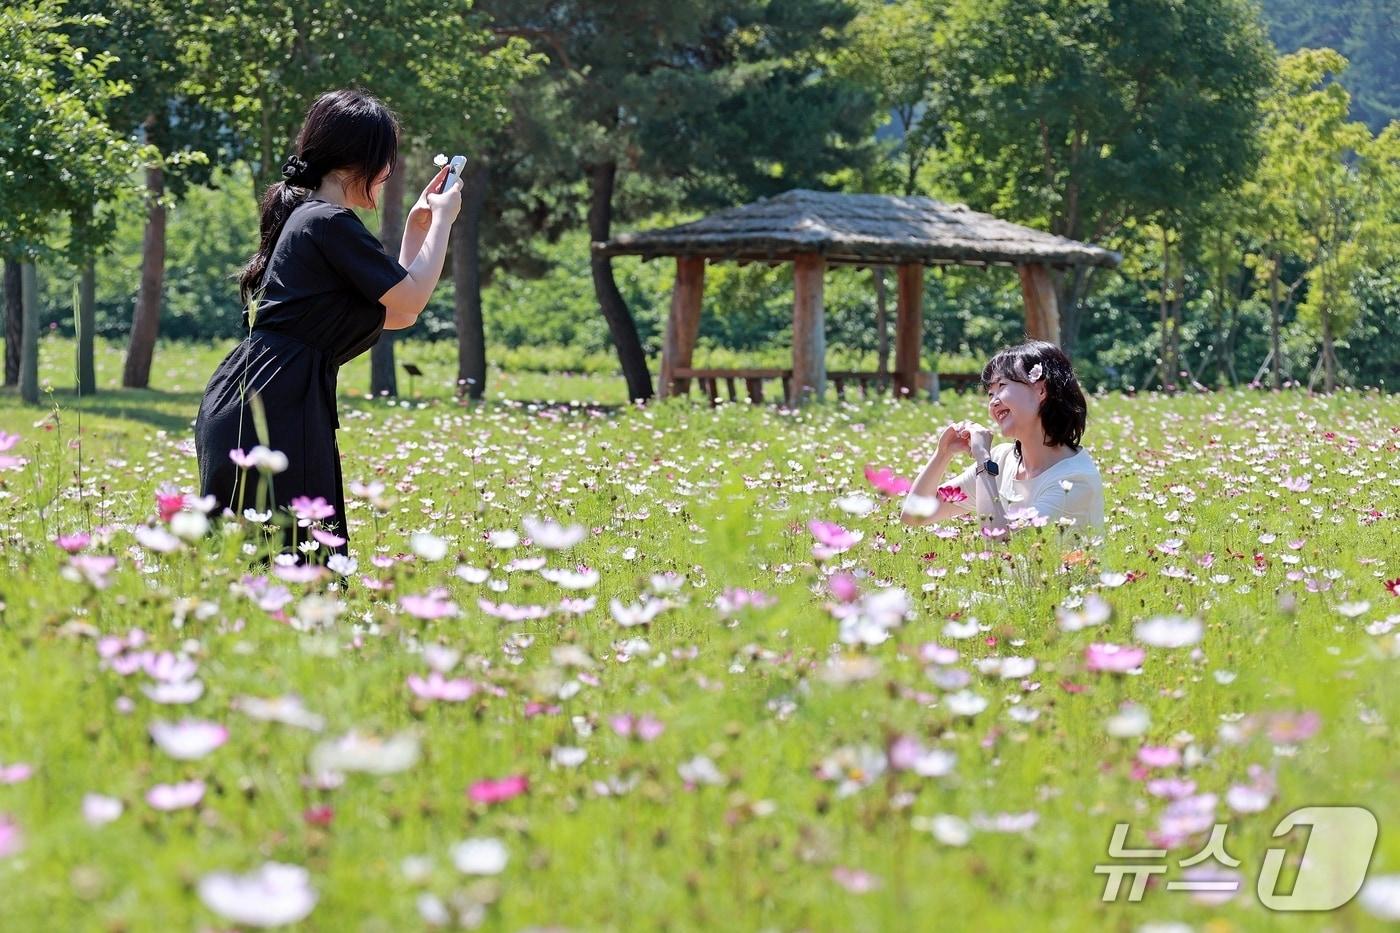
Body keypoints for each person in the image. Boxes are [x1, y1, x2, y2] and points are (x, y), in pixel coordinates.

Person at [194, 88, 462, 561]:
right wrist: (445, 221)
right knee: (296, 566)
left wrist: (417, 230)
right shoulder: (329, 222)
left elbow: (398, 310)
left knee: (263, 568)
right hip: (274, 405)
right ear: (365, 160)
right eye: (387, 162)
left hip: (263, 396)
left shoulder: (310, 217)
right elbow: (413, 300)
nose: (388, 174)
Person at [901, 340, 1105, 538]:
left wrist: (983, 460)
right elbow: (915, 515)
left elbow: (1001, 542)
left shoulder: (1075, 480)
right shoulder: (1003, 460)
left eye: (1002, 386)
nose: (994, 402)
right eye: (990, 394)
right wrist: (943, 454)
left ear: (1041, 390)